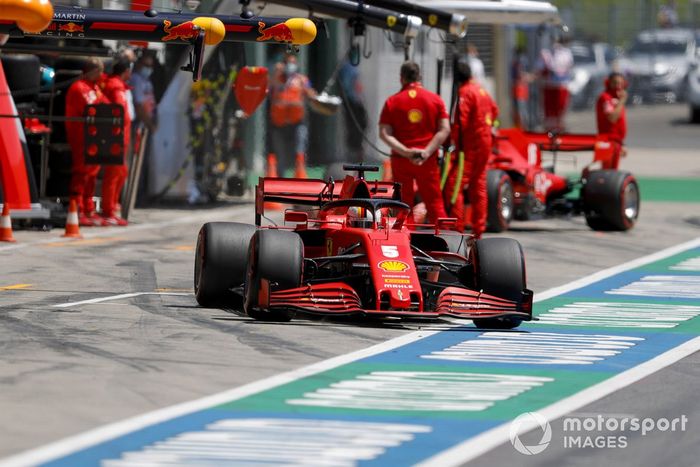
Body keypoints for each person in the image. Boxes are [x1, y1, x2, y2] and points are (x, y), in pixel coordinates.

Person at [379, 61, 450, 224]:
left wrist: (406, 152)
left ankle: (405, 241)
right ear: (420, 77)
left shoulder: (392, 101)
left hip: (401, 159)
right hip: (427, 159)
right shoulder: (435, 100)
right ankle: (446, 241)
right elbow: (445, 129)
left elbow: (384, 133)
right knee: (435, 203)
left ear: (401, 78)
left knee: (403, 205)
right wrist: (426, 152)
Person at [445, 59, 499, 239]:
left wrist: (453, 142)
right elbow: (495, 111)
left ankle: (457, 229)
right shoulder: (482, 90)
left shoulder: (465, 93)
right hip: (485, 145)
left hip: (469, 147)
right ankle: (478, 230)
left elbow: (460, 122)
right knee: (479, 186)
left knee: (454, 186)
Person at [65, 58, 108, 226]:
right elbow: (92, 107)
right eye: (100, 70)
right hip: (81, 136)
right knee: (81, 173)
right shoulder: (78, 87)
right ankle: (78, 210)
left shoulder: (95, 87)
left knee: (92, 174)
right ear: (92, 70)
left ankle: (88, 209)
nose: (102, 74)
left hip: (94, 137)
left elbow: (107, 104)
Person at [268, 53, 317, 176]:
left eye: (293, 63)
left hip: (297, 121)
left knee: (300, 146)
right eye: (288, 63)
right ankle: (278, 175)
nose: (291, 66)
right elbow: (268, 87)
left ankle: (300, 172)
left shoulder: (301, 80)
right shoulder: (276, 78)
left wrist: (313, 95)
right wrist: (276, 72)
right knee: (279, 152)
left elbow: (311, 92)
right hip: (279, 122)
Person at [100, 59, 132, 226]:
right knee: (114, 173)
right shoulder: (116, 85)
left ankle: (112, 208)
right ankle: (108, 210)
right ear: (126, 71)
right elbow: (119, 109)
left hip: (120, 136)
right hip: (116, 136)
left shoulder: (117, 84)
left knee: (121, 172)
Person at [538, 36, 573, 132]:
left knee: (560, 108)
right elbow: (541, 69)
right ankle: (549, 128)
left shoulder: (567, 53)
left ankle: (559, 127)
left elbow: (568, 68)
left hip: (562, 85)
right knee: (549, 109)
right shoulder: (545, 53)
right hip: (549, 86)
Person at [595, 72, 628, 170]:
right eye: (615, 83)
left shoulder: (616, 99)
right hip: (606, 140)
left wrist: (622, 144)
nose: (618, 86)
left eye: (620, 83)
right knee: (606, 172)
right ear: (608, 83)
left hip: (616, 141)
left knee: (613, 171)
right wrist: (622, 101)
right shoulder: (605, 97)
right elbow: (612, 118)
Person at [511, 45, 533, 130]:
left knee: (520, 110)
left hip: (520, 89)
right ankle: (522, 128)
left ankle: (521, 126)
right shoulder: (519, 62)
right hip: (520, 89)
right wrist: (530, 77)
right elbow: (520, 75)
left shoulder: (516, 61)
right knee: (521, 110)